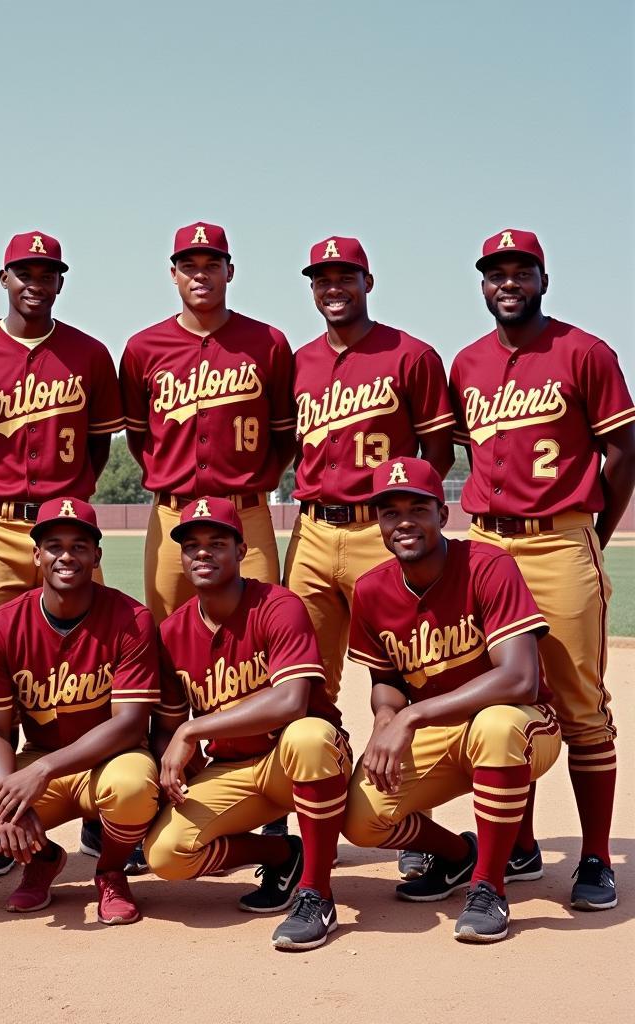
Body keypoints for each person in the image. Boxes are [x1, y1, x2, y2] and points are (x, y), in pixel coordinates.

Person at [450, 228, 635, 910]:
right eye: (495, 272)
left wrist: (591, 529)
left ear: (543, 280)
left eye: (520, 270)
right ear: (482, 284)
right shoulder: (465, 363)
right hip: (487, 545)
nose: (507, 282)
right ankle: (520, 847)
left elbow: (623, 452)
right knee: (500, 697)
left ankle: (593, 857)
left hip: (560, 542)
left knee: (580, 704)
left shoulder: (584, 351)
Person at [0, 231, 123, 877]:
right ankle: (8, 815)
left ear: (60, 281)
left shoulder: (89, 354)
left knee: (89, 665)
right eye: (24, 271)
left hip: (65, 527)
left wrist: (66, 500)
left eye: (47, 272)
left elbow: (101, 448)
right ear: (4, 278)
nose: (35, 281)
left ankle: (103, 813)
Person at [284, 235, 455, 879]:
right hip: (310, 532)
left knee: (409, 672)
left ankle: (412, 819)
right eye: (322, 278)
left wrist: (403, 518)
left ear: (368, 281)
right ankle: (306, 816)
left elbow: (438, 451)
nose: (333, 287)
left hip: (381, 532)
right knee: (301, 681)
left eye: (345, 276)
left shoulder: (411, 355)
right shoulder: (298, 362)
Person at [342, 458, 561, 943]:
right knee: (359, 818)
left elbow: (520, 679)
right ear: (377, 524)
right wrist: (385, 716)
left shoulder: (488, 565)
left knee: (497, 726)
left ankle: (489, 886)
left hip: (526, 727)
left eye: (417, 508)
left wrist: (412, 715)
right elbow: (386, 678)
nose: (403, 522)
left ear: (443, 515)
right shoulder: (372, 589)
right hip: (444, 732)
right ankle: (460, 856)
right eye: (390, 512)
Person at [0, 498, 160, 925]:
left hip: (110, 761)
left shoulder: (132, 618)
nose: (66, 556)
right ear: (36, 555)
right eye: (54, 545)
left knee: (132, 788)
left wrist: (42, 771)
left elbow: (130, 725)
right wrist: (8, 800)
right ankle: (43, 858)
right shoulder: (0, 628)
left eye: (79, 545)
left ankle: (110, 871)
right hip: (41, 759)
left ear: (96, 556)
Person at [145, 497, 351, 952]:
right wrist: (179, 764)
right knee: (167, 854)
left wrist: (192, 731)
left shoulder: (279, 605)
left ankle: (317, 893)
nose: (203, 553)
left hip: (298, 761)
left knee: (310, 735)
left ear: (241, 550)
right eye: (192, 544)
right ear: (180, 556)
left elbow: (292, 702)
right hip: (234, 771)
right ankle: (282, 855)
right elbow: (169, 722)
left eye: (217, 543)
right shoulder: (172, 632)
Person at [119, 222, 296, 625]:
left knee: (260, 633)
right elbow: (138, 436)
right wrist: (166, 471)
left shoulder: (269, 342)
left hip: (246, 514)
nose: (200, 274)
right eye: (189, 265)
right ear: (173, 274)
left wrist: (259, 475)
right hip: (172, 515)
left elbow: (285, 435)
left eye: (212, 264)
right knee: (167, 636)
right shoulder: (142, 347)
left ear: (229, 272)